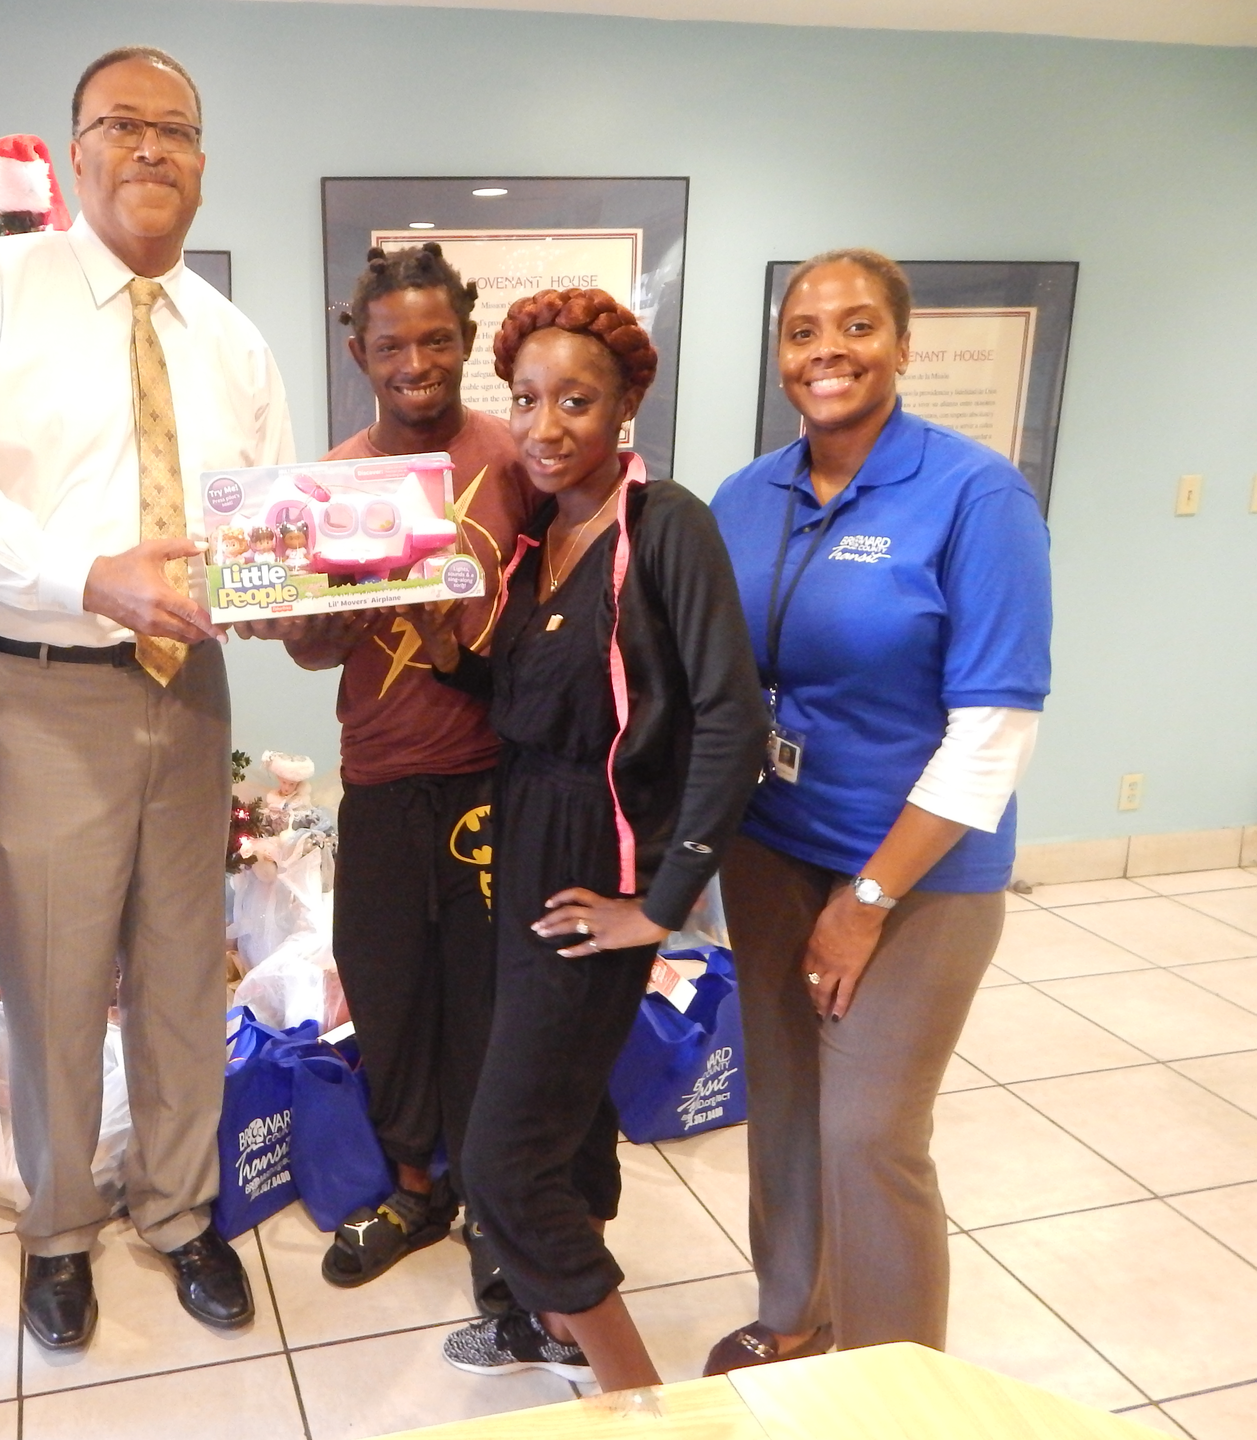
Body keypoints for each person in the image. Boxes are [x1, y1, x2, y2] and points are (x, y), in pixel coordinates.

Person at [0, 46, 294, 1353]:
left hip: (190, 688)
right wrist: (88, 577)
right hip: (41, 689)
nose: (151, 147)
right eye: (123, 124)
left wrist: (288, 588)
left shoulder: (231, 339)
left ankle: (179, 1210)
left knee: (183, 970)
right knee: (56, 978)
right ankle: (60, 1229)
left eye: (175, 128)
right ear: (78, 152)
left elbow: (269, 519)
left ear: (202, 163)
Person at [703, 250, 1052, 1371]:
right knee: (785, 1100)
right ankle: (794, 1316)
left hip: (917, 874)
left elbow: (995, 726)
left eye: (857, 326)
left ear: (904, 345)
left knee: (869, 1132)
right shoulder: (744, 497)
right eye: (803, 331)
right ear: (781, 354)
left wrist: (865, 899)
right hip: (771, 845)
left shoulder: (976, 495)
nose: (828, 351)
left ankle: (897, 1385)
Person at [414, 289, 768, 1391]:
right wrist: (445, 649)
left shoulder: (667, 526)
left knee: (501, 1162)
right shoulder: (541, 536)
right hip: (524, 841)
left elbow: (731, 718)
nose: (544, 425)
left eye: (575, 401)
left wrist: (659, 905)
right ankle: (560, 1336)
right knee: (564, 1123)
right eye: (525, 399)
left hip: (598, 867)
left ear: (625, 407)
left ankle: (638, 1396)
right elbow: (538, 702)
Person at [264, 242, 533, 1304]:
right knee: (389, 991)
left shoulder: (514, 458)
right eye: (391, 346)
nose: (415, 362)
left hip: (491, 776)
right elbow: (305, 649)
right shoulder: (328, 483)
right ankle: (416, 1190)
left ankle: (496, 1204)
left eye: (436, 340)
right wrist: (341, 602)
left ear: (465, 341)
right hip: (378, 777)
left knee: (488, 1001)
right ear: (359, 354)